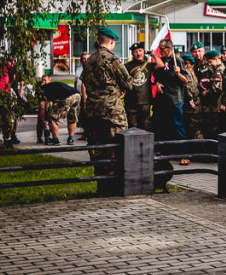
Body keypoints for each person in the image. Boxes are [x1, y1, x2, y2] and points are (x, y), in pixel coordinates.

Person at [80, 27, 132, 172]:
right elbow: (128, 83)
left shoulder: (89, 60)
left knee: (97, 149)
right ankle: (113, 184)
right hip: (112, 112)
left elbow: (85, 82)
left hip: (93, 111)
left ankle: (100, 181)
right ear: (112, 41)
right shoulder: (112, 59)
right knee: (116, 148)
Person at [151, 38, 189, 141]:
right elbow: (155, 76)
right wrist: (157, 83)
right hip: (163, 99)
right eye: (160, 48)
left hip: (175, 100)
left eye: (163, 49)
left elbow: (186, 80)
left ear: (170, 48)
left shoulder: (178, 61)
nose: (161, 51)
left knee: (178, 126)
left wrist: (178, 74)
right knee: (164, 127)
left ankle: (183, 153)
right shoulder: (161, 61)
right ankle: (167, 152)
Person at [38, 74, 80, 145]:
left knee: (52, 118)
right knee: (72, 118)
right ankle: (71, 139)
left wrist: (44, 123)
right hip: (76, 95)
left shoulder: (43, 89)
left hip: (67, 97)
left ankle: (55, 140)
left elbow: (42, 107)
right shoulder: (53, 85)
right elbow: (52, 102)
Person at [124, 42, 153, 131]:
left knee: (146, 128)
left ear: (144, 51)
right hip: (131, 102)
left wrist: (153, 54)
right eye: (135, 51)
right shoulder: (127, 66)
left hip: (145, 102)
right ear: (132, 53)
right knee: (133, 129)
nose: (138, 53)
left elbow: (161, 65)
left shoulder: (149, 65)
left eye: (140, 51)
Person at [197, 50, 224, 139]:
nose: (210, 64)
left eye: (210, 62)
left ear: (216, 59)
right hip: (216, 106)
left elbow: (217, 88)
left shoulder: (219, 70)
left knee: (213, 131)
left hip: (216, 106)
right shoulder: (218, 69)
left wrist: (206, 92)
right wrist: (210, 80)